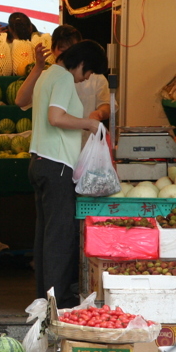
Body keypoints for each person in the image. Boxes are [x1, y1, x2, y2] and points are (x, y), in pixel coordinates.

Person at [28, 40, 107, 308]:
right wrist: (89, 123)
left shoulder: (47, 74)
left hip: (40, 162)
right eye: (87, 73)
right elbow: (56, 117)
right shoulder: (62, 78)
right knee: (60, 237)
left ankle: (44, 297)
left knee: (45, 236)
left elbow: (20, 101)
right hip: (57, 165)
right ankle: (58, 300)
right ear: (82, 64)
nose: (84, 80)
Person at [15, 25, 111, 139]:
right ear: (52, 49)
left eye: (72, 49)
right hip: (57, 150)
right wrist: (38, 67)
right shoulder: (49, 77)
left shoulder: (93, 76)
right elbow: (21, 101)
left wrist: (98, 114)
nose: (68, 55)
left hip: (84, 145)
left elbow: (106, 105)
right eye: (63, 50)